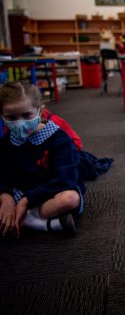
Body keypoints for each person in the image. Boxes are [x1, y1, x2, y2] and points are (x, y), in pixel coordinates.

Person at [0, 82, 84, 237]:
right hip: (17, 194)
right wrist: (6, 197)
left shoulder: (59, 139)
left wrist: (26, 201)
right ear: (2, 117)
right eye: (11, 117)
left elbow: (66, 179)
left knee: (70, 198)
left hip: (48, 195)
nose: (20, 123)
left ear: (40, 112)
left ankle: (25, 220)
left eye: (27, 115)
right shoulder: (6, 142)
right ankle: (44, 224)